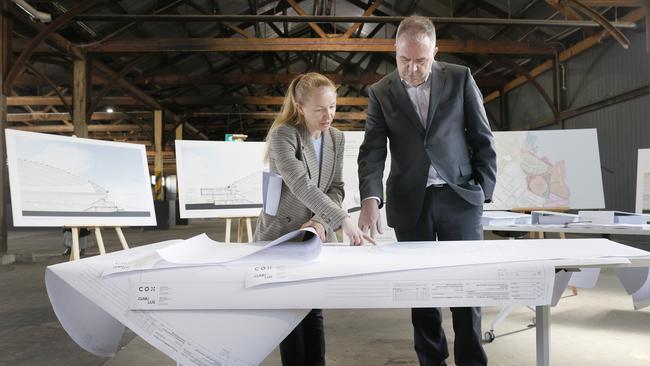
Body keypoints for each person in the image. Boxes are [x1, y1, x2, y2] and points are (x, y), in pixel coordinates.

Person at [357, 16, 497, 366]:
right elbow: (372, 151)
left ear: (436, 51)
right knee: (420, 290)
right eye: (405, 60)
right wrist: (370, 200)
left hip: (459, 198)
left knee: (467, 288)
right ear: (395, 52)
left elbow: (482, 135)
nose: (413, 68)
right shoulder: (380, 92)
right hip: (410, 203)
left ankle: (470, 359)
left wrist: (483, 192)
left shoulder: (460, 77)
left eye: (422, 60)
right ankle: (431, 360)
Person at [254, 72, 374, 366]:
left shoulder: (336, 138)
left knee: (314, 308)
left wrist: (322, 222)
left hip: (316, 236)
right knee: (289, 311)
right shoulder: (283, 135)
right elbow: (300, 183)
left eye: (332, 106)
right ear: (299, 107)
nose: (328, 115)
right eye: (320, 109)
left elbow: (335, 188)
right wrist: (342, 219)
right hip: (281, 234)